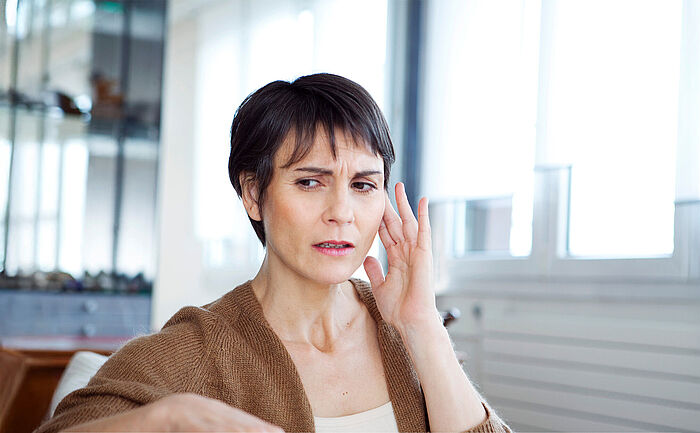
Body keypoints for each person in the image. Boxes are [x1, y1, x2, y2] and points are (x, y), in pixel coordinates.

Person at [35, 73, 511, 433]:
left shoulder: (408, 333)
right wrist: (170, 417)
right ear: (252, 193)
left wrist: (423, 327)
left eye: (364, 185)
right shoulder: (197, 349)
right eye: (310, 181)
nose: (341, 212)